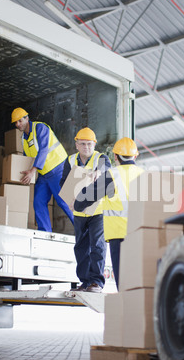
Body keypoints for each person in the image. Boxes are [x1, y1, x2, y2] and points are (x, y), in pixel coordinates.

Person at [73, 137, 143, 290]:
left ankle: (126, 309)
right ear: (135, 156)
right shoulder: (145, 175)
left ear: (116, 157)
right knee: (139, 282)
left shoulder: (112, 175)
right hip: (141, 235)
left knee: (123, 284)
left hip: (119, 236)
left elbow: (81, 202)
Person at [60, 127, 111, 293]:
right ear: (76, 145)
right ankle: (85, 281)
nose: (86, 147)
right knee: (81, 248)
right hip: (79, 213)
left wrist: (99, 171)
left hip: (98, 211)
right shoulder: (70, 160)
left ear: (94, 144)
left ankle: (96, 281)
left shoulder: (100, 158)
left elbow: (106, 166)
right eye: (83, 144)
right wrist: (68, 200)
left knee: (97, 246)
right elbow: (63, 183)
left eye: (89, 144)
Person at [11, 107, 74, 232]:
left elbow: (44, 149)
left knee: (65, 202)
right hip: (44, 173)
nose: (18, 124)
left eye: (20, 121)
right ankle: (44, 232)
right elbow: (27, 158)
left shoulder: (39, 128)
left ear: (27, 118)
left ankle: (86, 230)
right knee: (38, 202)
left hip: (59, 169)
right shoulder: (24, 138)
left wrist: (32, 172)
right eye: (16, 123)